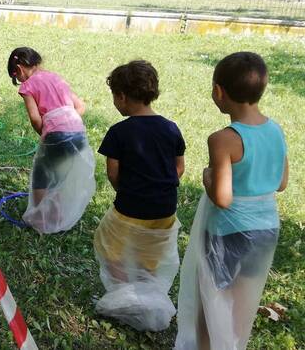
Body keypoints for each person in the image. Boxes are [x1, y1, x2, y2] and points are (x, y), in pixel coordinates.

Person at [176, 52, 289, 349]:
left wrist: (207, 177)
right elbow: (281, 182)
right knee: (243, 300)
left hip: (229, 232)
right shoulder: (275, 130)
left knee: (211, 298)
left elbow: (223, 198)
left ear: (218, 92)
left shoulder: (223, 139)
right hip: (266, 229)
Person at [93, 60, 186, 331]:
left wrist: (130, 191)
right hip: (165, 211)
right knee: (151, 257)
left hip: (130, 207)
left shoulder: (119, 132)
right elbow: (179, 167)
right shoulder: (171, 128)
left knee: (109, 247)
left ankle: (124, 296)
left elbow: (113, 173)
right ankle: (147, 296)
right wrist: (159, 186)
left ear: (121, 97)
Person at [7, 47, 95, 233]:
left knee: (41, 175)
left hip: (57, 134)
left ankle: (39, 217)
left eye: (16, 77)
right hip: (78, 132)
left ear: (20, 69)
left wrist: (50, 131)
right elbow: (80, 106)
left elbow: (35, 119)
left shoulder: (28, 86)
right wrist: (66, 120)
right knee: (60, 175)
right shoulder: (56, 78)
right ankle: (57, 215)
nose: (19, 81)